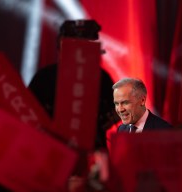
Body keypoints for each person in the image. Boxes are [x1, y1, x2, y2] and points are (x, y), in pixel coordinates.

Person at [28, 19, 117, 150]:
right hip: (53, 151)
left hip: (89, 151)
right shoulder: (44, 78)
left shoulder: (101, 77)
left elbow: (116, 111)